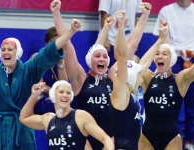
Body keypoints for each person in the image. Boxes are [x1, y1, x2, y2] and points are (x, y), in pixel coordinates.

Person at [50, 0, 151, 149]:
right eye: (97, 56)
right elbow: (67, 46)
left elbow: (131, 46)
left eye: (104, 57)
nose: (102, 59)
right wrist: (56, 13)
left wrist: (144, 16)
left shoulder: (112, 77)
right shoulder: (81, 79)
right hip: (85, 141)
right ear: (90, 60)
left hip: (109, 141)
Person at [0, 16, 80, 150]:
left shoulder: (29, 70)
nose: (6, 52)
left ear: (18, 53)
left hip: (21, 130)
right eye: (3, 49)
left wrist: (71, 32)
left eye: (10, 49)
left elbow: (48, 52)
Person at [138, 14, 194, 150]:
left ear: (171, 60)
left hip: (171, 139)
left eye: (164, 54)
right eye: (157, 54)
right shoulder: (148, 77)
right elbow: (139, 68)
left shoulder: (180, 80)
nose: (160, 56)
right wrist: (160, 40)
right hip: (147, 137)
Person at [153, 1, 194, 149]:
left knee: (193, 102)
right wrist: (169, 59)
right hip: (174, 60)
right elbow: (163, 39)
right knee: (170, 102)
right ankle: (168, 139)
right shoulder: (166, 11)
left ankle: (190, 142)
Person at [19, 81, 114, 150]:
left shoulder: (80, 116)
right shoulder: (48, 119)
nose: (65, 95)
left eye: (68, 93)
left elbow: (106, 139)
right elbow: (24, 118)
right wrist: (34, 95)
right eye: (61, 92)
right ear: (53, 95)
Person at [30, 26, 68, 150]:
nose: (57, 46)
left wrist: (61, 65)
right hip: (40, 100)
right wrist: (56, 92)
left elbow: (65, 84)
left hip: (55, 99)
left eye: (59, 42)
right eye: (54, 42)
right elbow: (39, 86)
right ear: (47, 44)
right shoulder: (37, 57)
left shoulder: (61, 59)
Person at [99, 0, 142, 66]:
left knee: (127, 70)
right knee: (111, 71)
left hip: (128, 41)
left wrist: (135, 39)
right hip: (111, 40)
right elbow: (104, 15)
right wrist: (105, 39)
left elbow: (135, 16)